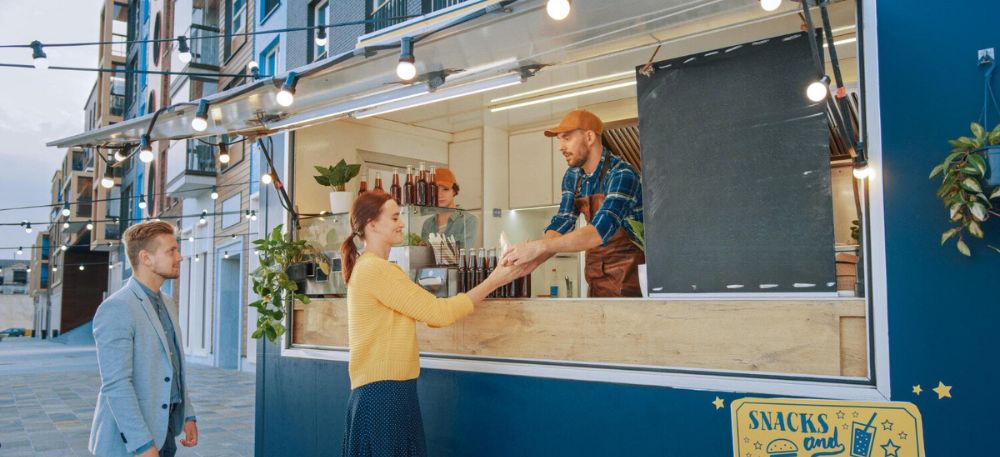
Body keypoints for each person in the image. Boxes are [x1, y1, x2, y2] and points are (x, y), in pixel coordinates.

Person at [340, 191, 519, 456]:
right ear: (372, 224)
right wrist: (494, 280)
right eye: (394, 217)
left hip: (384, 391)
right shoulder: (377, 270)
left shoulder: (371, 267)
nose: (401, 223)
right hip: (384, 394)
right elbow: (439, 313)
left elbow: (430, 313)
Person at [501, 109, 645, 297]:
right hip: (594, 280)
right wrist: (531, 262)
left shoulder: (621, 174)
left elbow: (598, 232)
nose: (561, 146)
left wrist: (539, 247)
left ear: (589, 137)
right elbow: (563, 221)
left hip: (632, 283)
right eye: (559, 139)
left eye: (567, 138)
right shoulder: (573, 176)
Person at [90, 221, 198, 457]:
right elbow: (116, 384)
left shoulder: (168, 302)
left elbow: (173, 366)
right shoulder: (117, 308)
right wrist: (142, 445)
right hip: (131, 441)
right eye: (171, 251)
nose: (179, 257)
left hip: (166, 428)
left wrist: (187, 414)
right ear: (146, 258)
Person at [420, 167, 478, 249]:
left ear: (454, 191)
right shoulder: (427, 224)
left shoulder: (468, 220)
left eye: (445, 189)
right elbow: (422, 255)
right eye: (435, 190)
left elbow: (465, 255)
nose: (440, 194)